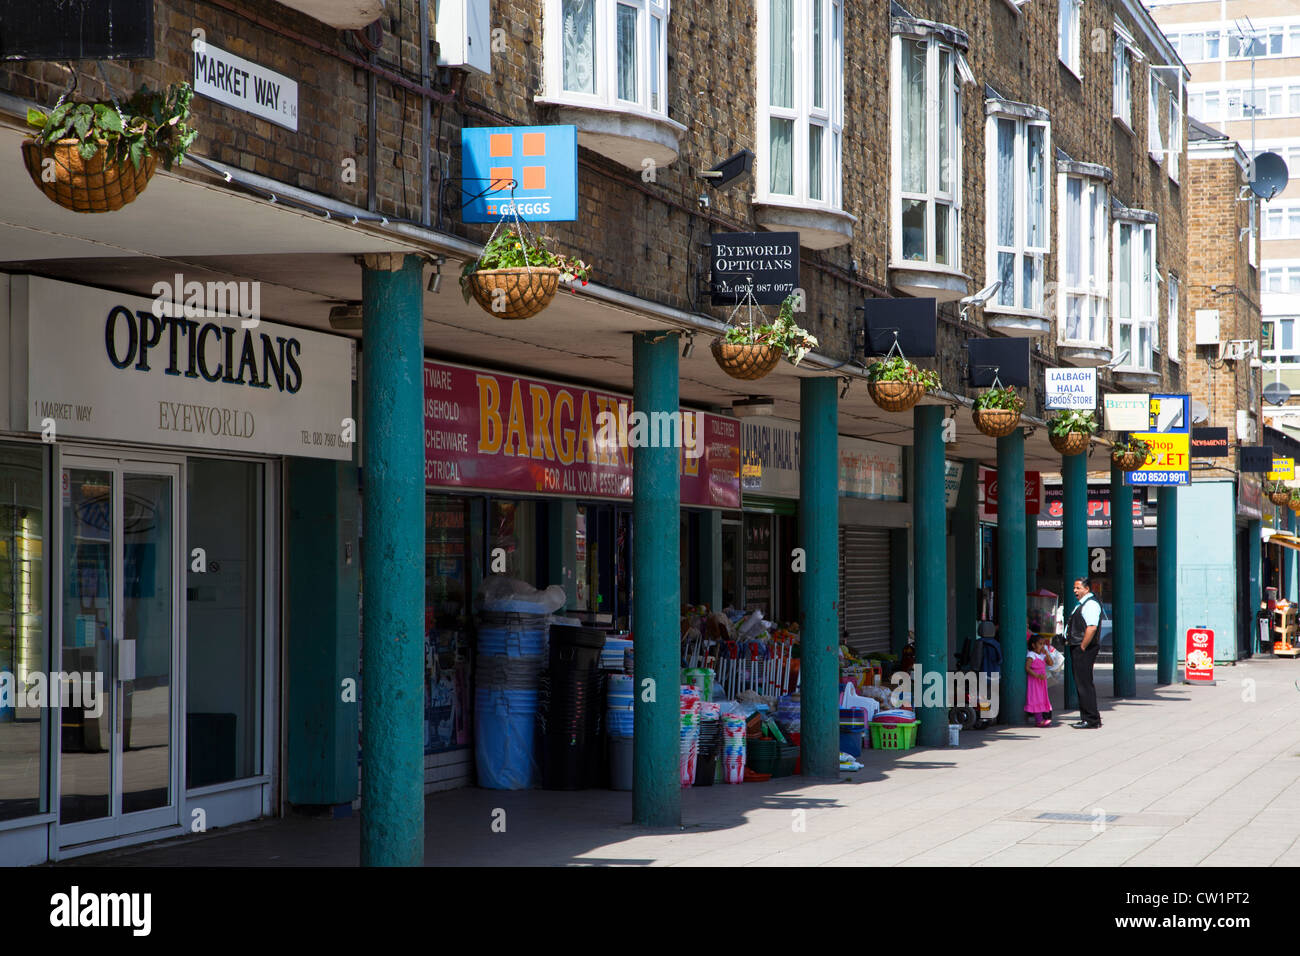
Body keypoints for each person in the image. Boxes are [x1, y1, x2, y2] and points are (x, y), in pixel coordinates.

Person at [1067, 576, 1103, 729]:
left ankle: (1091, 719)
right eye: (1074, 588)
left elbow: (1092, 627)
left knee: (1084, 684)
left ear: (1086, 589)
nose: (1075, 591)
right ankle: (1087, 717)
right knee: (1082, 683)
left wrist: (1082, 647)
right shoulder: (1083, 604)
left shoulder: (1090, 605)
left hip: (1084, 649)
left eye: (1078, 588)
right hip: (1079, 647)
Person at [1025, 632, 1052, 727]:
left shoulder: (1042, 655)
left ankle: (1042, 718)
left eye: (1043, 644)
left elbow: (1050, 663)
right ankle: (1039, 720)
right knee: (1036, 698)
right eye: (1040, 644)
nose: (1042, 646)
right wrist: (1037, 676)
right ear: (1033, 645)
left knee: (1042, 697)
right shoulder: (1031, 655)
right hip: (1034, 681)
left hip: (1041, 682)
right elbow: (1027, 668)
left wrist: (1047, 654)